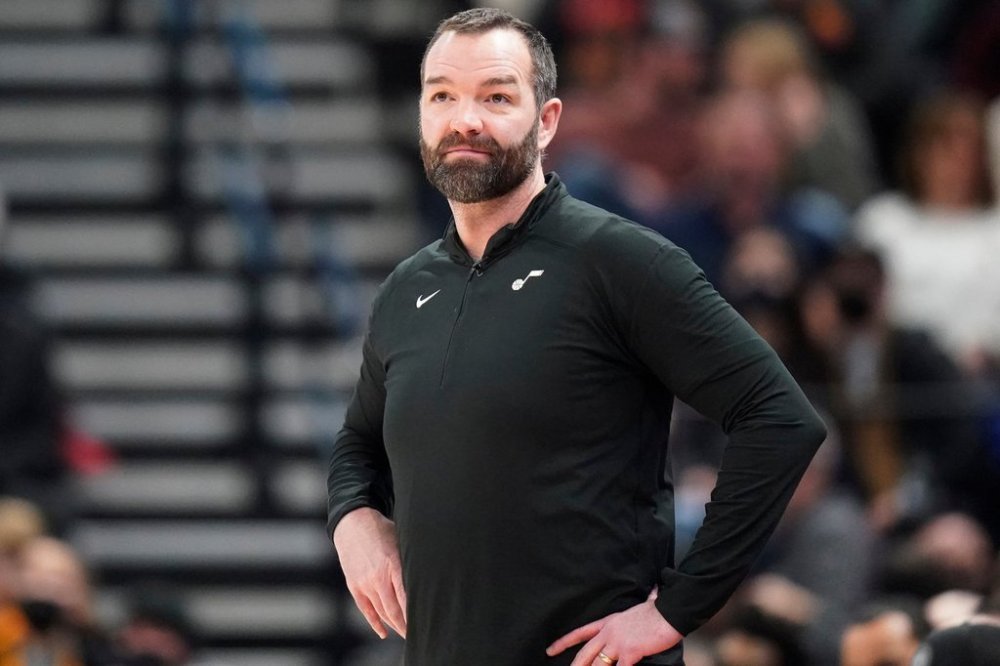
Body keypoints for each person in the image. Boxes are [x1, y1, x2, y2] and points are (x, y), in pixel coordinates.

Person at [326, 8, 826, 666]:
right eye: (442, 96)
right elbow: (358, 444)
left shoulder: (619, 260)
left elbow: (780, 418)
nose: (465, 120)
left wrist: (677, 609)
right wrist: (353, 517)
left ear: (547, 121)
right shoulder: (405, 289)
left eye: (496, 97)